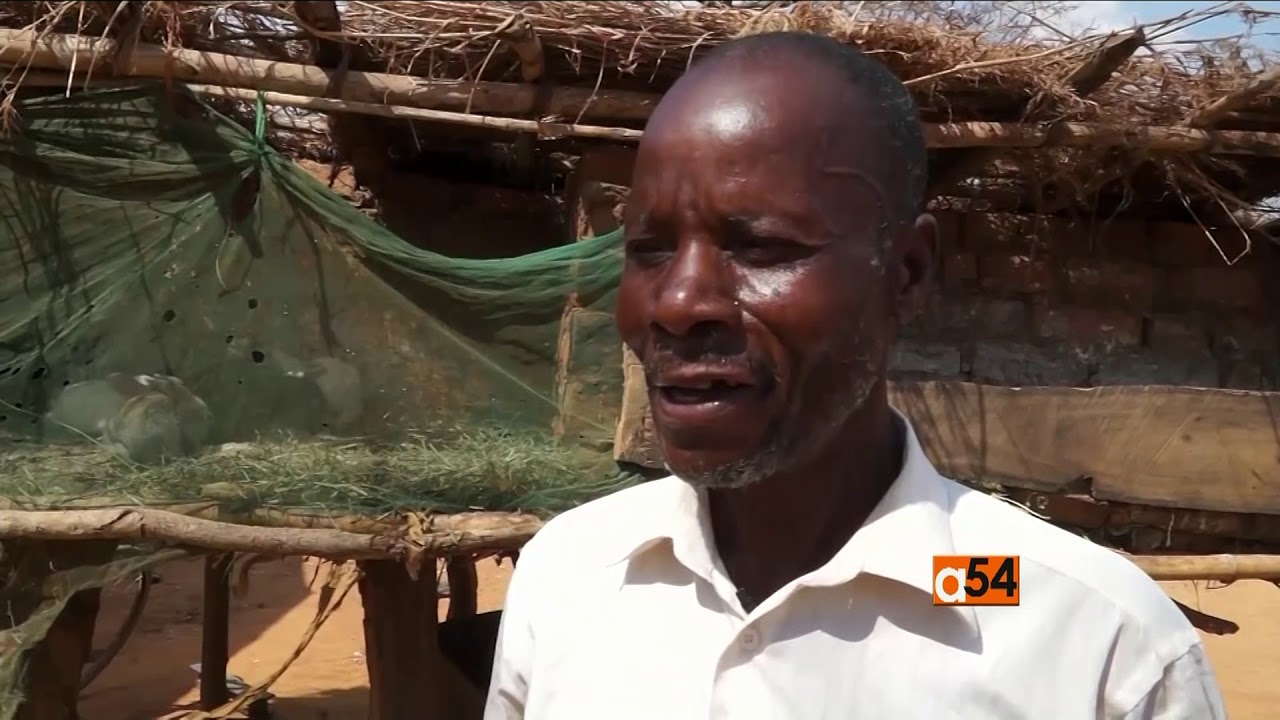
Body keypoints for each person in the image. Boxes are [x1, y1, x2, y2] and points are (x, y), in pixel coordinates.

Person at [484, 31, 1225, 719]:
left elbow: (1037, 605)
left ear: (906, 274)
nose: (678, 303)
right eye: (649, 249)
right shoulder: (571, 574)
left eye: (762, 247)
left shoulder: (1092, 641)